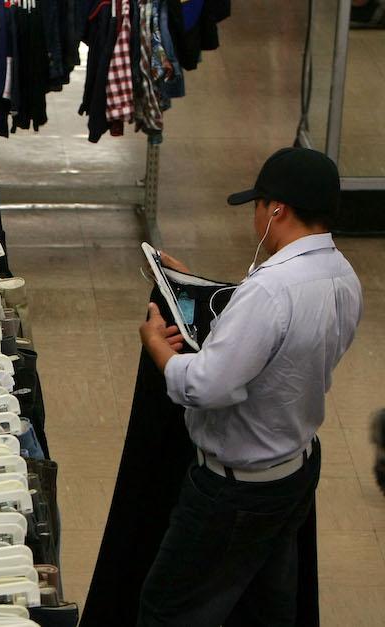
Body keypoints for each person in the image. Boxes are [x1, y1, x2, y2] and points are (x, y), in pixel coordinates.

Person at [136, 147, 362, 626]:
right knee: (266, 606)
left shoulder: (270, 290)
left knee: (169, 610)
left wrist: (158, 346)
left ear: (276, 208)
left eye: (258, 205)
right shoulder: (344, 278)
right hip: (293, 471)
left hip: (234, 493)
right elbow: (278, 348)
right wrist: (191, 284)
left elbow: (205, 387)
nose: (254, 218)